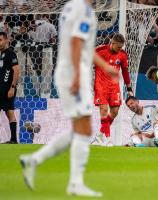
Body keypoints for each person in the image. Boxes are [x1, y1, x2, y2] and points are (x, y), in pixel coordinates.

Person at [19, 0, 117, 197]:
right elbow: (75, 43)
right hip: (73, 72)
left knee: (81, 130)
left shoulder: (71, 6)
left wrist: (104, 66)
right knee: (85, 129)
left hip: (68, 70)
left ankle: (34, 160)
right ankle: (75, 183)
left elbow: (82, 47)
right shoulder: (84, 10)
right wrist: (77, 76)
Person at [94, 33, 133, 146]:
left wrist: (129, 88)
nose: (120, 49)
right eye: (118, 47)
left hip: (114, 87)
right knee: (104, 110)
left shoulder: (122, 54)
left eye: (121, 47)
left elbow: (125, 72)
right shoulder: (100, 51)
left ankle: (100, 134)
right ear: (112, 43)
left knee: (115, 111)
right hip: (101, 85)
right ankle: (108, 139)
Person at [0, 31, 20, 144]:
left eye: (0, 40)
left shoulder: (10, 53)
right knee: (9, 112)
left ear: (6, 40)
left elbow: (16, 70)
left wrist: (12, 87)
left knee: (10, 112)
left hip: (7, 89)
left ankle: (13, 139)